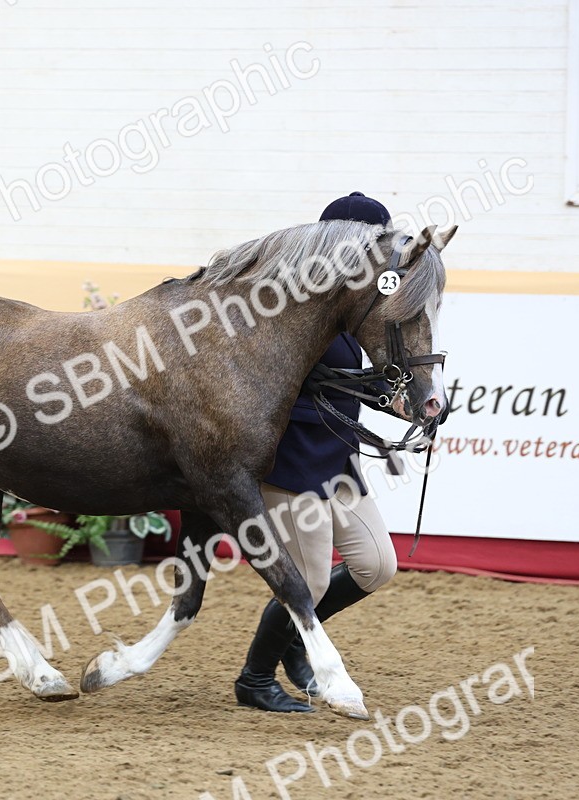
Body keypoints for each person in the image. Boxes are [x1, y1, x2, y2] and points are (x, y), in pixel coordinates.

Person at [234, 192, 399, 713]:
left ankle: (293, 645)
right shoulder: (291, 307)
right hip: (293, 459)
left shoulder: (354, 307)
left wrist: (401, 401)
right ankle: (255, 678)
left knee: (377, 565)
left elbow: (356, 379)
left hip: (339, 458)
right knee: (309, 579)